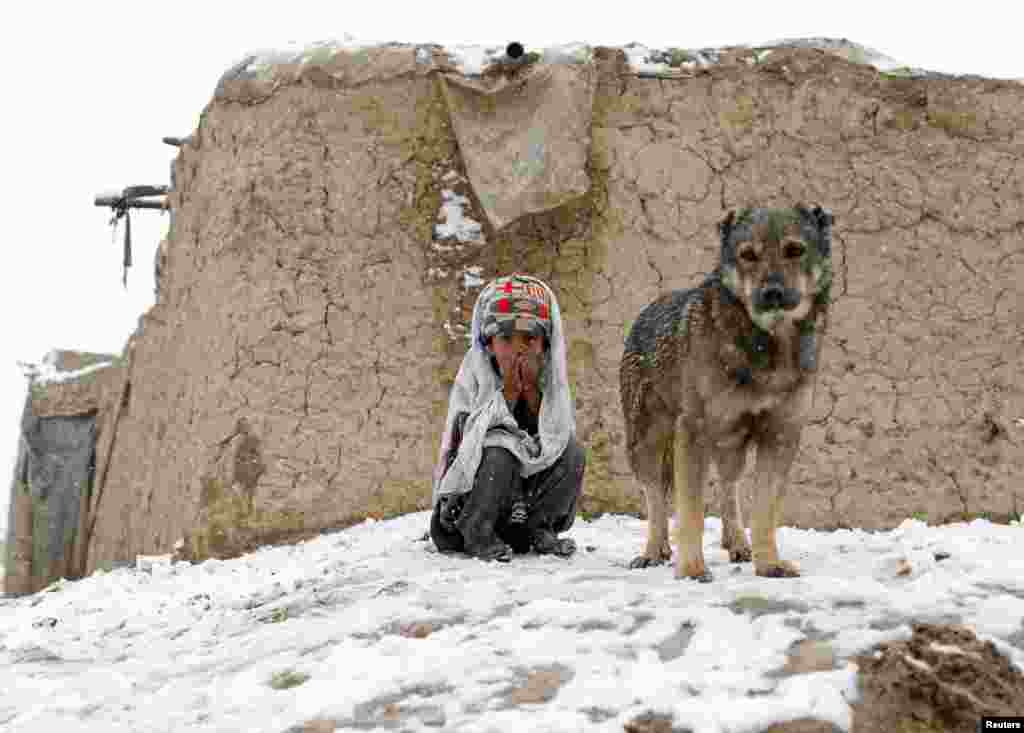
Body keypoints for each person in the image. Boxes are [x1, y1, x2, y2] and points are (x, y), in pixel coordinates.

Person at [430, 274, 586, 562]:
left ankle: (541, 528)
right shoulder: (473, 380)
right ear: (488, 344)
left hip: (522, 515)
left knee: (571, 449)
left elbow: (553, 433)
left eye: (530, 339)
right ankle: (478, 533)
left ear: (545, 345)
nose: (519, 348)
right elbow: (467, 446)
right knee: (500, 448)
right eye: (505, 339)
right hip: (468, 512)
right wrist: (510, 394)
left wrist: (532, 397)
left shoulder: (550, 385)